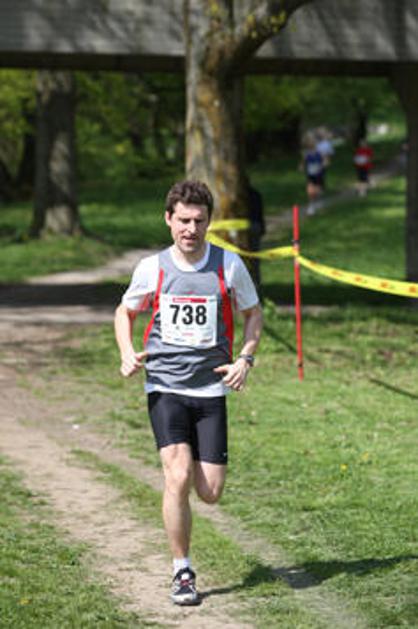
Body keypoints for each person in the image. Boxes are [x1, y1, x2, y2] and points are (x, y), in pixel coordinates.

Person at [114, 180, 263, 606]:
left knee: (210, 492)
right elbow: (125, 311)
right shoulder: (152, 267)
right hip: (165, 384)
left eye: (199, 221)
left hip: (211, 387)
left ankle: (193, 475)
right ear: (168, 219)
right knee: (177, 475)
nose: (190, 229)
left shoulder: (228, 265)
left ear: (209, 222)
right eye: (183, 220)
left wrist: (245, 359)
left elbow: (253, 314)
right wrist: (127, 352)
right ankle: (182, 570)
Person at [301, 134, 324, 215]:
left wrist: (321, 166)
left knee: (317, 191)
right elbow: (303, 162)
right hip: (310, 174)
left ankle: (318, 203)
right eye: (310, 143)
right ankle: (311, 207)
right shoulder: (306, 153)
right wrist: (301, 166)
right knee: (310, 192)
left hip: (318, 174)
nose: (311, 144)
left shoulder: (319, 153)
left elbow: (325, 161)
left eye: (313, 143)